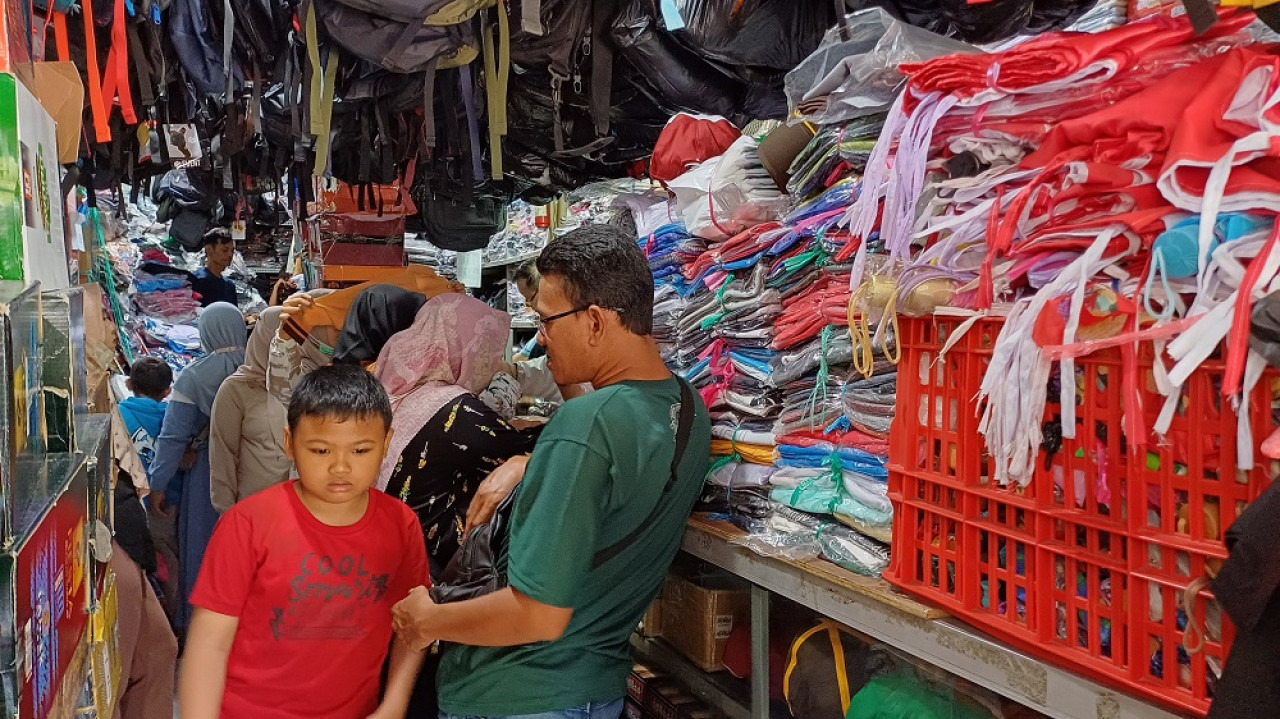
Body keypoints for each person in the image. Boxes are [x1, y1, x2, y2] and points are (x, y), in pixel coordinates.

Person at [391, 225, 711, 719]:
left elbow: (537, 613)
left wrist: (429, 621)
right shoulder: (687, 406)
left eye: (547, 321)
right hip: (593, 688)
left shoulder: (584, 428)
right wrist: (533, 457)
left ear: (597, 323)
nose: (540, 338)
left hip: (517, 693)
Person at [179, 365, 429, 719]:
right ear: (289, 444)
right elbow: (209, 644)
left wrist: (394, 704)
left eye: (360, 451)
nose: (340, 467)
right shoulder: (246, 524)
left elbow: (412, 625)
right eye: (321, 451)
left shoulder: (401, 526)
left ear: (386, 444)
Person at [374, 293, 541, 579]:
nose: (490, 363)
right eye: (488, 352)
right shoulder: (454, 408)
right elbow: (526, 449)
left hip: (392, 546)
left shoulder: (405, 389)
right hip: (436, 567)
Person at [149, 302, 247, 632]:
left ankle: (204, 630)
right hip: (253, 469)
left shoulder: (193, 377)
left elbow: (172, 436)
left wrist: (157, 484)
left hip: (207, 471)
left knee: (206, 551)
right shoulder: (257, 367)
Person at [208, 306, 291, 514]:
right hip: (253, 513)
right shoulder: (237, 390)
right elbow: (223, 456)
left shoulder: (307, 384)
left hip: (301, 514)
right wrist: (227, 515)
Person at [191, 229, 238, 308]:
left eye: (232, 251)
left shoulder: (229, 286)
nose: (230, 255)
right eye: (225, 250)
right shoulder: (198, 281)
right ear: (209, 249)